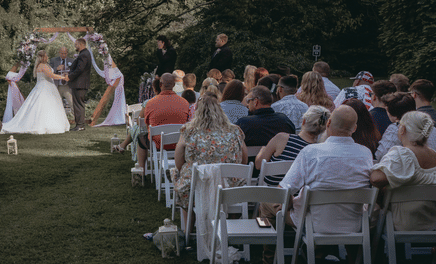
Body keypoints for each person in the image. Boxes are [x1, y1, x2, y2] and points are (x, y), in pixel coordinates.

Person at [276, 106, 374, 232]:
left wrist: (289, 205)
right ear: (354, 128)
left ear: (328, 123)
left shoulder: (310, 152)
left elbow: (284, 190)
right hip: (354, 226)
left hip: (312, 225)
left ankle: (273, 243)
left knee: (268, 205)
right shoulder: (365, 154)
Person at [173, 93, 245, 227]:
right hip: (228, 187)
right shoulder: (235, 130)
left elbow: (178, 161)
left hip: (197, 186)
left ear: (197, 111)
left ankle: (189, 226)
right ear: (220, 110)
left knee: (181, 177)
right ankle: (232, 223)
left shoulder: (188, 131)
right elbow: (243, 159)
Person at [370, 111, 436, 231]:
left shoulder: (403, 155)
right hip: (430, 222)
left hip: (401, 223)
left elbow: (376, 179)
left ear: (402, 129)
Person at [256, 105, 331, 186]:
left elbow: (258, 165)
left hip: (267, 192)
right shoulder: (317, 152)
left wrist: (262, 150)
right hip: (296, 193)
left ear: (303, 121)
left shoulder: (281, 138)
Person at [2, 50, 70, 135]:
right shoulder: (42, 65)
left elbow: (51, 74)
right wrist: (63, 77)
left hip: (48, 86)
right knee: (44, 105)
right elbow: (51, 75)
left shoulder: (44, 65)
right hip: (45, 87)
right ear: (42, 57)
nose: (47, 57)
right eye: (46, 56)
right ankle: (44, 124)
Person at [135, 73, 190, 172]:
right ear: (174, 85)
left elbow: (147, 125)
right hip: (179, 143)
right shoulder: (184, 103)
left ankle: (141, 171)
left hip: (157, 144)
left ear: (160, 85)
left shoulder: (150, 103)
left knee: (141, 138)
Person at [376, 92, 436, 161]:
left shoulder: (396, 128)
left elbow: (380, 156)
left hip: (418, 166)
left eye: (386, 110)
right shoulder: (431, 128)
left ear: (393, 114)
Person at [66, 38, 93, 131]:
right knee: (79, 104)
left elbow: (79, 69)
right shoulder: (84, 53)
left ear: (81, 44)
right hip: (80, 83)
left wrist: (70, 77)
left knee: (78, 105)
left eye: (76, 44)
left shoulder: (83, 54)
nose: (75, 46)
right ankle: (80, 125)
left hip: (79, 84)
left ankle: (80, 125)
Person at [50, 46, 74, 119]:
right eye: (62, 53)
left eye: (65, 53)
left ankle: (76, 118)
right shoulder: (53, 60)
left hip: (67, 85)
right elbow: (49, 71)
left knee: (72, 102)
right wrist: (56, 68)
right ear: (59, 53)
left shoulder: (71, 61)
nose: (63, 55)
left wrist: (68, 73)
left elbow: (74, 71)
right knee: (57, 103)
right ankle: (57, 118)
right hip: (57, 85)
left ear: (67, 53)